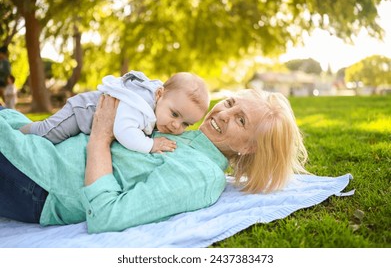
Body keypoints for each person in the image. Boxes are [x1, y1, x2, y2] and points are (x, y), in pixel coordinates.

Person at [0, 89, 308, 233]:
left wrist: (101, 135)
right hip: (34, 148)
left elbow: (107, 216)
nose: (222, 114)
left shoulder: (199, 175)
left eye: (240, 120)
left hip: (37, 179)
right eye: (230, 103)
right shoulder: (180, 129)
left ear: (251, 148)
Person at [19, 71, 209, 153]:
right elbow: (123, 131)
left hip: (88, 117)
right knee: (47, 133)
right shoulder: (140, 104)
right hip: (81, 112)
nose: (176, 125)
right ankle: (19, 132)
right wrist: (150, 145)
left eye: (185, 124)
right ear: (159, 94)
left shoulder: (159, 104)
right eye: (175, 114)